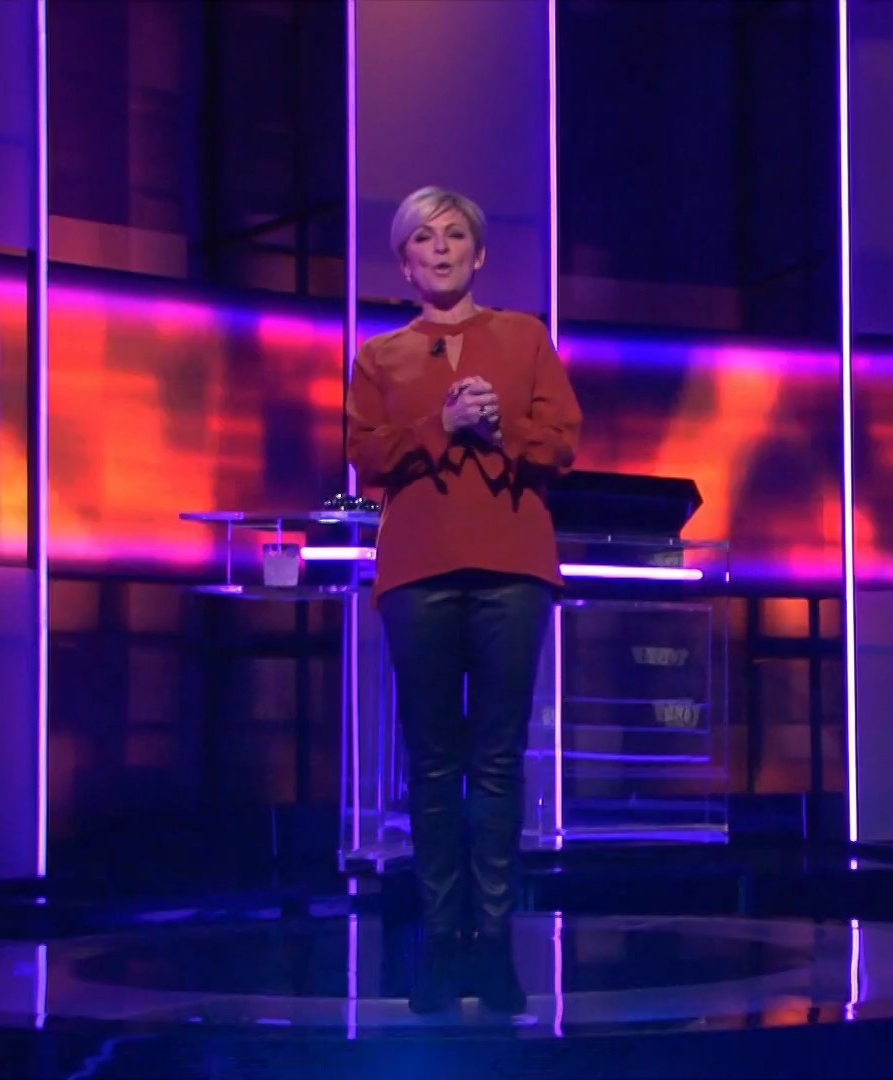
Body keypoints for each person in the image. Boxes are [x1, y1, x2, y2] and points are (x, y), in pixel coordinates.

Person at [344, 186, 582, 1016]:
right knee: (434, 759)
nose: (439, 248)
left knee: (498, 757)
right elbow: (367, 455)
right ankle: (442, 945)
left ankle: (494, 944)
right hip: (419, 569)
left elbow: (562, 442)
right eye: (423, 238)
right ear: (404, 264)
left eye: (454, 235)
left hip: (512, 563)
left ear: (479, 254)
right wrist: (440, 427)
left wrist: (498, 429)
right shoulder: (380, 357)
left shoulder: (524, 337)